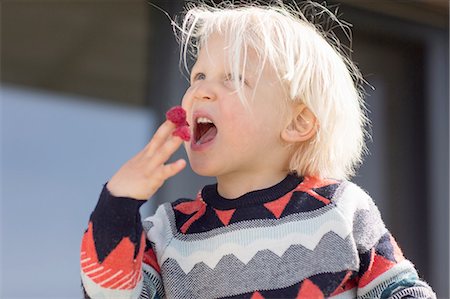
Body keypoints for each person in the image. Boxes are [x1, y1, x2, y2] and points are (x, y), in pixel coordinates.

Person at [80, 1, 436, 298]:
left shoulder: (341, 209)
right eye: (199, 76)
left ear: (297, 123)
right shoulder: (171, 232)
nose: (201, 91)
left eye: (233, 78)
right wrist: (118, 202)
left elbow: (401, 290)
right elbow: (111, 293)